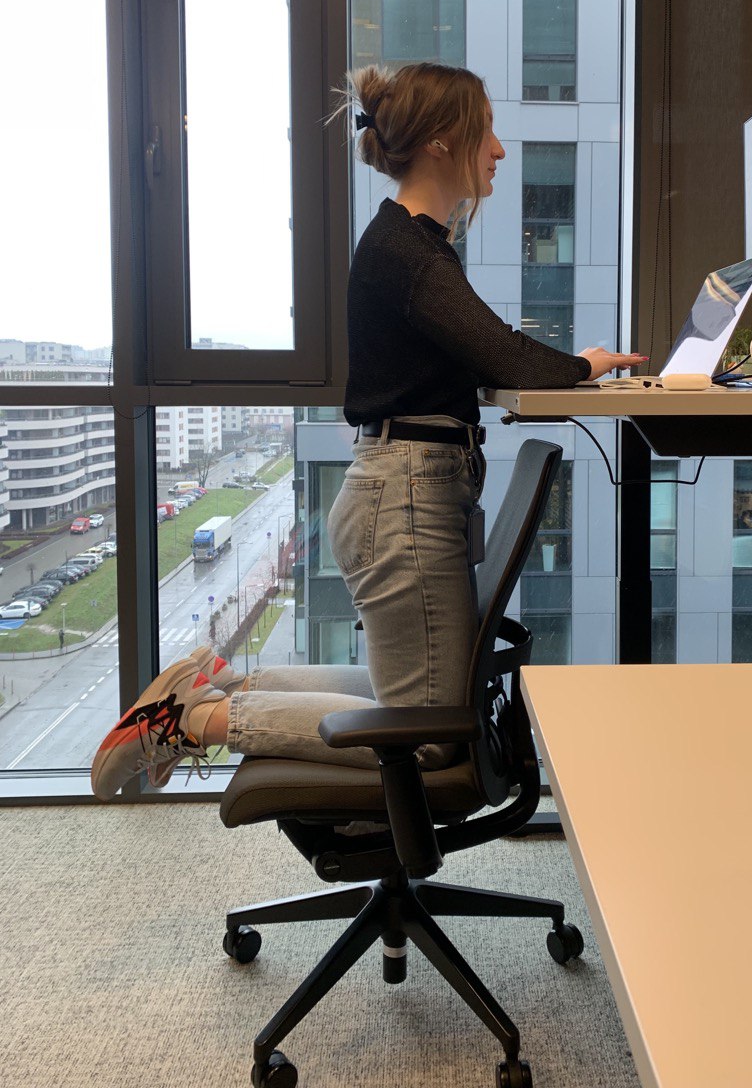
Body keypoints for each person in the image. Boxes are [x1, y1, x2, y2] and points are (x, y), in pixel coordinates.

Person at [90, 62, 640, 801]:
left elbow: (476, 354)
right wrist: (585, 365)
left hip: (405, 492)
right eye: (486, 130)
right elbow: (505, 355)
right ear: (441, 142)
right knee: (427, 733)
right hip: (405, 499)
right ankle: (191, 720)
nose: (499, 149)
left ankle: (226, 687)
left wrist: (569, 367)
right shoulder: (406, 249)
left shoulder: (416, 244)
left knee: (413, 706)